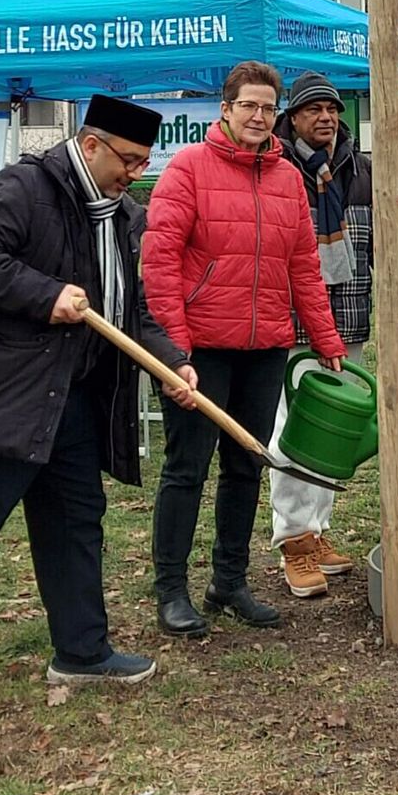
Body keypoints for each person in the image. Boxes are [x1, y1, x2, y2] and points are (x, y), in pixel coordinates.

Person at [0, 96, 194, 720]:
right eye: (127, 160)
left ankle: (81, 650)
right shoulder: (26, 187)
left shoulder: (122, 215)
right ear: (91, 143)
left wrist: (172, 359)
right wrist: (44, 294)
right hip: (8, 396)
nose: (134, 172)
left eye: (142, 162)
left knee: (76, 524)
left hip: (75, 400)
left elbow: (127, 311)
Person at [144, 61, 345, 638]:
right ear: (225, 109)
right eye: (247, 106)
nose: (258, 116)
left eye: (267, 107)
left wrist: (325, 339)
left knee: (245, 466)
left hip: (264, 348)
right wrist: (173, 350)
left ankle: (228, 581)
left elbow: (304, 266)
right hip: (201, 350)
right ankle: (171, 589)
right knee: (186, 470)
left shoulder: (286, 179)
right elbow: (159, 265)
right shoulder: (187, 169)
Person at [267, 71, 375, 599]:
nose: (326, 118)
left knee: (335, 430)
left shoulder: (359, 170)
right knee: (296, 428)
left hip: (348, 310)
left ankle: (319, 529)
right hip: (292, 318)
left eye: (332, 109)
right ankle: (293, 538)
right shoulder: (276, 169)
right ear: (293, 119)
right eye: (313, 110)